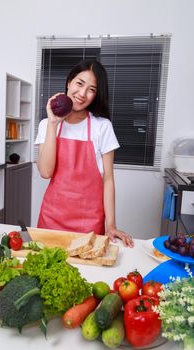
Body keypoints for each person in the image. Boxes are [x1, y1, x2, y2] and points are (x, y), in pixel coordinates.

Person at [35, 59, 133, 247]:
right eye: (79, 84)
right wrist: (53, 123)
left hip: (89, 223)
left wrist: (111, 225)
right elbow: (45, 172)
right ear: (69, 82)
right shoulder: (47, 125)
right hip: (51, 219)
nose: (82, 94)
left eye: (91, 89)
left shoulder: (102, 127)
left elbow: (108, 180)